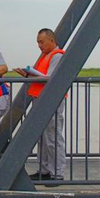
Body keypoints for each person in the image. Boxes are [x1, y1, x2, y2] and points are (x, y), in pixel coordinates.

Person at [14, 28, 66, 181]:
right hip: (41, 99)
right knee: (42, 137)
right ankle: (44, 170)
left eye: (41, 42)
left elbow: (50, 78)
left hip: (51, 100)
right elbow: (42, 77)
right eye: (38, 42)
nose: (39, 45)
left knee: (53, 137)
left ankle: (57, 173)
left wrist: (32, 74)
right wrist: (28, 74)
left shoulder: (57, 56)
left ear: (51, 40)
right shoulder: (46, 56)